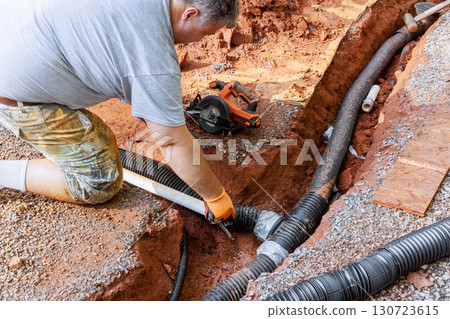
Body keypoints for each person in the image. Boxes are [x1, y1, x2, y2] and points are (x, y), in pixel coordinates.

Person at [0, 0, 237, 222]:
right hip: (11, 92)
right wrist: (216, 197)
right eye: (205, 33)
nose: (198, 40)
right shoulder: (154, 58)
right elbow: (172, 143)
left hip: (12, 23)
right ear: (190, 14)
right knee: (100, 180)